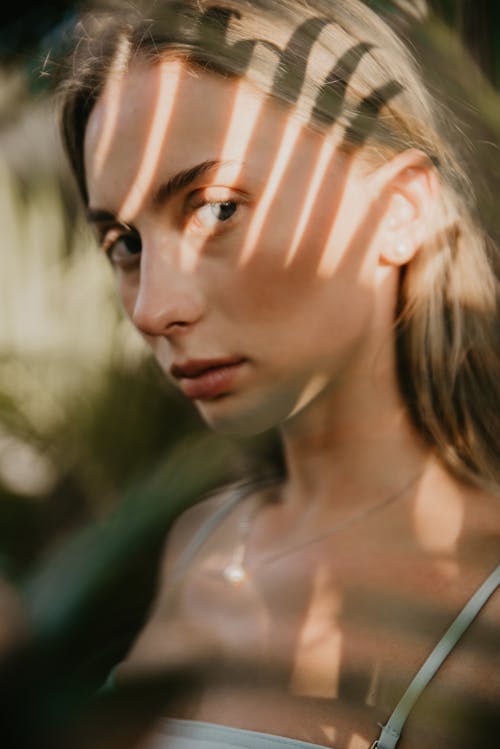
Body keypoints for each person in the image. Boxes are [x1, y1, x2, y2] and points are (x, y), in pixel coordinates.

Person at [56, 1, 500, 747]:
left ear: (399, 210)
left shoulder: (480, 597)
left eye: (218, 206)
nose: (154, 307)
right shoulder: (202, 537)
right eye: (124, 241)